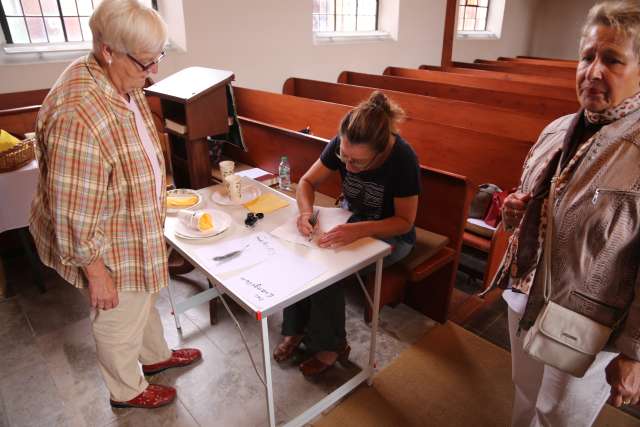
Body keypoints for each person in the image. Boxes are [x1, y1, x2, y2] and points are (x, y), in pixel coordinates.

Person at [29, 0, 201, 409]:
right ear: (108, 50)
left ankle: (155, 357)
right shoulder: (78, 112)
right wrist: (96, 271)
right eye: (146, 63)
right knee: (116, 316)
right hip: (106, 242)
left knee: (143, 300)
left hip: (131, 226)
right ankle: (127, 390)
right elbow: (72, 210)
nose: (153, 72)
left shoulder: (118, 76)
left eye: (157, 58)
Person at [493, 1, 640, 425]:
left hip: (587, 316)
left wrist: (633, 353)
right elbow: (537, 209)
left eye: (613, 60)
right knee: (525, 394)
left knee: (560, 414)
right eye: (588, 56)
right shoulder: (557, 129)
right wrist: (517, 213)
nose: (594, 71)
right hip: (526, 292)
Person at [273, 91, 420, 377]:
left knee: (328, 269)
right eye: (344, 158)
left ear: (380, 152)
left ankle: (331, 346)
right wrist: (305, 213)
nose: (348, 167)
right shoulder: (345, 144)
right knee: (301, 252)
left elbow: (405, 221)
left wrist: (359, 229)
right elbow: (306, 182)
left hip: (391, 235)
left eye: (357, 163)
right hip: (349, 219)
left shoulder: (403, 159)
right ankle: (296, 329)